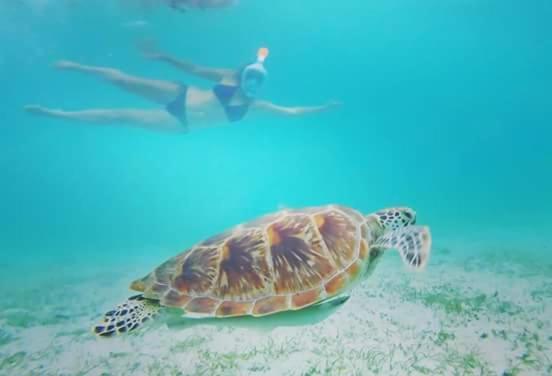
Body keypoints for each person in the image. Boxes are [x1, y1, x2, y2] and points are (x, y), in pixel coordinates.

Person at [25, 47, 341, 133]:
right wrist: (162, 56)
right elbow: (193, 69)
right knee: (122, 79)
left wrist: (322, 108)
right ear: (244, 72)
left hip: (181, 123)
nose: (252, 84)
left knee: (118, 116)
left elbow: (292, 113)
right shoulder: (228, 76)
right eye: (250, 76)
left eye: (258, 81)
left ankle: (56, 114)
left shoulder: (256, 107)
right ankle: (77, 67)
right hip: (181, 94)